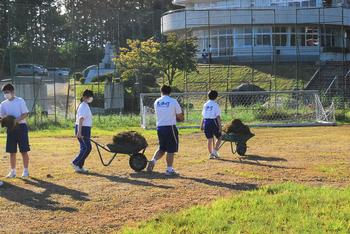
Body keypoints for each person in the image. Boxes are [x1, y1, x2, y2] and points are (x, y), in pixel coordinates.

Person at [147, 85, 184, 175]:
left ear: (161, 91)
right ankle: (169, 169)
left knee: (162, 148)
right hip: (170, 127)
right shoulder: (173, 101)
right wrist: (181, 118)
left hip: (160, 127)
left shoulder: (157, 101)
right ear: (170, 92)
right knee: (171, 149)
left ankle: (153, 161)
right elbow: (180, 116)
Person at [0, 83, 30, 178]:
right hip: (11, 129)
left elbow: (25, 114)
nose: (6, 94)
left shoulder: (20, 101)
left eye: (7, 92)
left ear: (12, 92)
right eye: (4, 93)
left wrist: (15, 121)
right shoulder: (3, 104)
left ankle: (25, 171)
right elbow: (2, 117)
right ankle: (12, 171)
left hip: (21, 127)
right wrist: (4, 121)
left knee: (24, 150)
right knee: (12, 151)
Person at [72, 89, 94, 173]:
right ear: (84, 97)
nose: (90, 98)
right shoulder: (83, 106)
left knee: (84, 147)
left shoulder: (85, 105)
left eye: (91, 97)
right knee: (87, 147)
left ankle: (80, 166)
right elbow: (81, 119)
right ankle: (75, 163)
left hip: (86, 129)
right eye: (89, 97)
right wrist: (79, 132)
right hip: (82, 129)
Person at [201, 90, 222, 159]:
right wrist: (220, 127)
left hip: (206, 122)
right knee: (219, 137)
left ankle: (211, 154)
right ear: (216, 97)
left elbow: (203, 116)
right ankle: (214, 151)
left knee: (209, 139)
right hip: (213, 122)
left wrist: (201, 125)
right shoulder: (215, 105)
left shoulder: (205, 104)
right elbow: (218, 116)